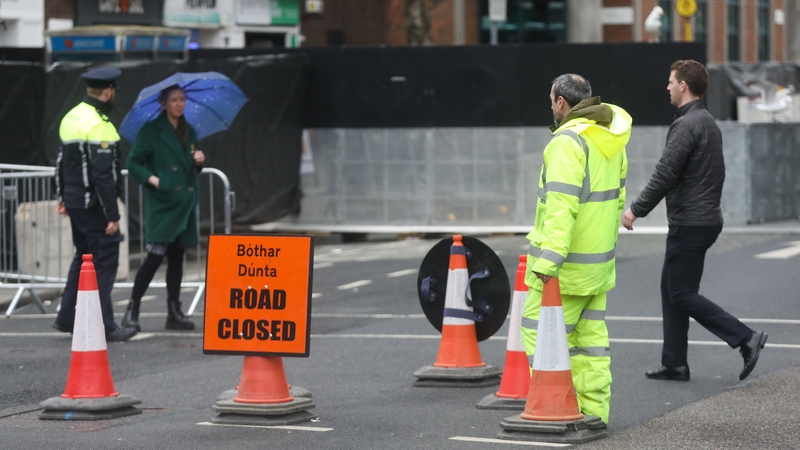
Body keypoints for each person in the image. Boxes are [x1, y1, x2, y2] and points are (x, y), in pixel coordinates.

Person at [622, 60, 767, 382]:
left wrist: (636, 209)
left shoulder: (688, 125)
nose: (668, 87)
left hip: (691, 223)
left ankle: (746, 338)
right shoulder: (705, 121)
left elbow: (665, 173)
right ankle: (674, 362)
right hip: (702, 220)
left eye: (671, 81)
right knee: (671, 288)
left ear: (684, 85)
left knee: (682, 294)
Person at [521, 74, 631, 424]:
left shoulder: (567, 142)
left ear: (561, 103)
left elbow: (561, 207)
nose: (550, 105)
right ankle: (594, 412)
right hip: (597, 267)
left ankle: (556, 406)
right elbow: (617, 203)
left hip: (564, 269)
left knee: (539, 333)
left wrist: (548, 261)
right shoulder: (610, 140)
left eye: (551, 99)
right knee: (591, 345)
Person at [53, 67, 137, 342]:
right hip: (93, 205)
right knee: (105, 255)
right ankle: (103, 324)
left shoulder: (72, 116)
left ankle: (67, 318)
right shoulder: (100, 124)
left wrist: (62, 197)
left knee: (84, 256)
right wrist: (112, 214)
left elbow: (61, 162)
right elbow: (103, 175)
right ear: (108, 91)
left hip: (76, 201)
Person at [124, 85, 204, 331]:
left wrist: (198, 161)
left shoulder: (188, 130)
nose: (179, 104)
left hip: (184, 204)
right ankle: (132, 309)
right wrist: (155, 180)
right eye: (174, 100)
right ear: (163, 103)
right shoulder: (151, 130)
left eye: (182, 99)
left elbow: (187, 166)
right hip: (163, 204)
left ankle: (174, 311)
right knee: (154, 257)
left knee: (177, 258)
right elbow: (133, 162)